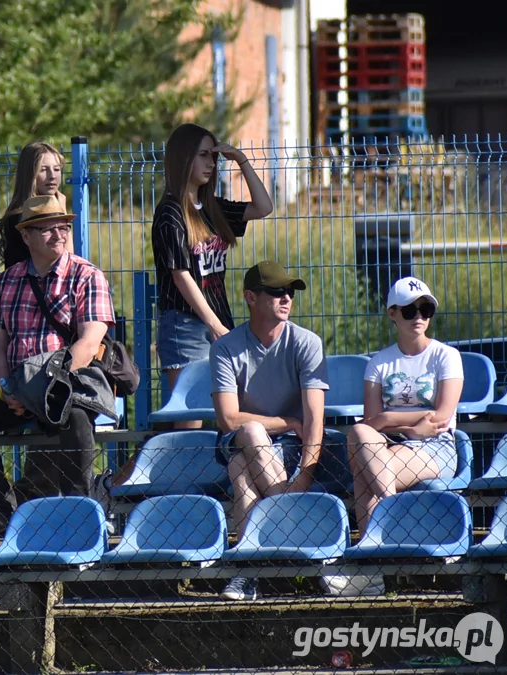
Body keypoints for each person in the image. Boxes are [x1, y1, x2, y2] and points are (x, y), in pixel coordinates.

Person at [0, 195, 115, 539]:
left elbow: (88, 344)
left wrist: (45, 386)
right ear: (26, 236)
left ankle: (79, 513)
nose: (59, 234)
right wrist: (4, 388)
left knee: (74, 417)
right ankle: (1, 513)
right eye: (48, 228)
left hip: (64, 385)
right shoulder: (9, 280)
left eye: (64, 226)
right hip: (15, 388)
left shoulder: (87, 276)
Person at [326, 278, 463, 598]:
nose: (419, 316)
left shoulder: (446, 356)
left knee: (364, 473)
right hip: (393, 444)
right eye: (410, 310)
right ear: (392, 313)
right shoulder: (379, 362)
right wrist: (404, 423)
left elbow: (442, 417)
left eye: (426, 309)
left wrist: (393, 423)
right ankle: (389, 538)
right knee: (359, 434)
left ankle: (371, 565)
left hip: (435, 446)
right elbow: (372, 423)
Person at [211, 261, 328, 601]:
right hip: (241, 439)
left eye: (289, 292)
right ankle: (307, 544)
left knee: (243, 478)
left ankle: (246, 574)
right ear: (250, 297)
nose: (286, 298)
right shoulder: (225, 347)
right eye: (276, 292)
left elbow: (314, 419)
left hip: (289, 448)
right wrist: (287, 422)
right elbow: (228, 420)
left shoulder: (307, 342)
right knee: (249, 432)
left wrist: (305, 474)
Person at [152, 124, 273, 430]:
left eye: (213, 156)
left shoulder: (211, 208)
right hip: (185, 326)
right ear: (183, 158)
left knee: (228, 415)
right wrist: (214, 324)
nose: (210, 163)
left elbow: (264, 207)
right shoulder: (170, 213)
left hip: (218, 322)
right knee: (190, 420)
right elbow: (180, 274)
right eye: (202, 155)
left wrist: (242, 161)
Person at [0, 142, 70, 270]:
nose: (52, 176)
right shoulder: (20, 218)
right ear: (29, 174)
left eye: (57, 169)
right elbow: (67, 261)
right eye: (43, 170)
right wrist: (62, 213)